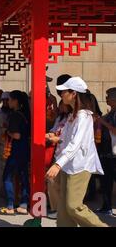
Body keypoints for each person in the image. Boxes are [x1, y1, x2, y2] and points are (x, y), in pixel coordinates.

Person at [46, 76, 107, 227]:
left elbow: (75, 144)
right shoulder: (72, 115)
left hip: (80, 166)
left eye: (64, 92)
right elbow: (67, 141)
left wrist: (57, 164)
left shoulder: (84, 116)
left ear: (73, 93)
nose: (61, 95)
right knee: (64, 208)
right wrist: (55, 138)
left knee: (73, 206)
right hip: (69, 165)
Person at [0, 90, 31, 216]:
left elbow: (16, 135)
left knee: (7, 177)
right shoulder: (26, 114)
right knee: (23, 176)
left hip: (15, 149)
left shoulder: (15, 115)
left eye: (10, 99)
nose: (8, 102)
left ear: (16, 101)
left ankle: (10, 205)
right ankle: (23, 204)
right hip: (25, 149)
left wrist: (6, 132)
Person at [45, 100, 73, 220]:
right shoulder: (60, 118)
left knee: (66, 184)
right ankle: (56, 208)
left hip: (69, 156)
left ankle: (66, 210)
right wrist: (50, 134)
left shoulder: (73, 118)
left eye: (63, 104)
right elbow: (54, 129)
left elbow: (70, 138)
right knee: (52, 180)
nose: (61, 107)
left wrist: (58, 138)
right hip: (58, 154)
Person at [96, 87, 116, 216]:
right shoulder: (111, 112)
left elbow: (114, 130)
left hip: (114, 154)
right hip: (106, 153)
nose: (107, 99)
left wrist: (101, 121)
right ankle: (106, 206)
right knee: (106, 181)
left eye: (108, 97)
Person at [0, 91, 11, 196]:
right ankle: (2, 191)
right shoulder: (0, 114)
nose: (5, 103)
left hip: (12, 144)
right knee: (2, 169)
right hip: (2, 145)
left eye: (7, 101)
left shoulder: (14, 113)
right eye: (3, 101)